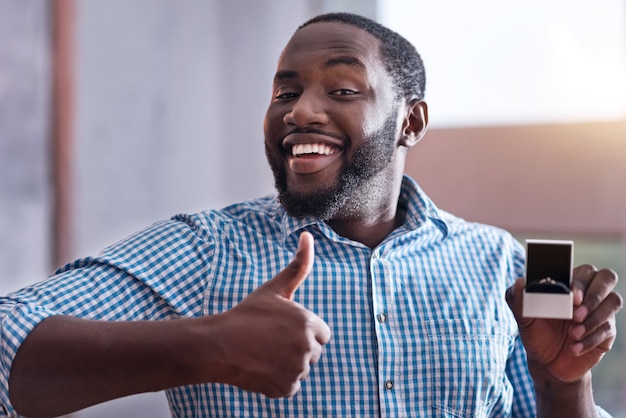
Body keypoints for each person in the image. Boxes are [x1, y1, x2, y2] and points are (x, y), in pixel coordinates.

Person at [0, 11, 622, 418]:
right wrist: (205, 347)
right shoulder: (209, 250)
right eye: (285, 92)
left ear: (412, 121)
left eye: (343, 90)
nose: (299, 112)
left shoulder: (499, 261)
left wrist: (564, 383)